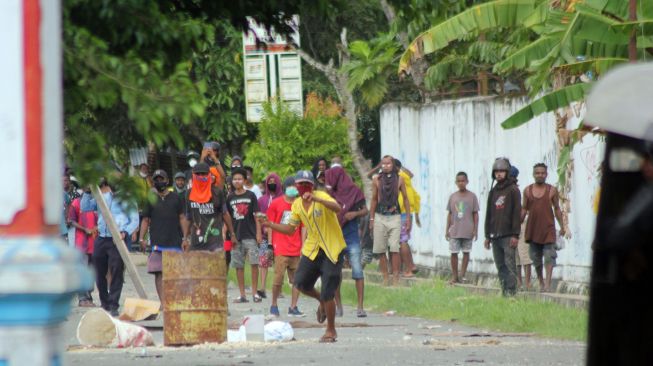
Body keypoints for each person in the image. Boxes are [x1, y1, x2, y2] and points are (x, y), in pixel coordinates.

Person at [259, 170, 345, 343]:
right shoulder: (297, 204)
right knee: (300, 283)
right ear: (296, 187)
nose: (304, 187)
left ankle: (331, 330)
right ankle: (321, 300)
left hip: (332, 248)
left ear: (312, 186)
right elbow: (291, 229)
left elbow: (337, 208)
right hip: (313, 248)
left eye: (307, 184)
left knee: (329, 290)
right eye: (301, 185)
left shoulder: (321, 196)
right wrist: (271, 225)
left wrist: (318, 199)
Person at [81, 179, 139, 316]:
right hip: (102, 237)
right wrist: (88, 192)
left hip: (117, 239)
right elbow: (85, 207)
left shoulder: (128, 199)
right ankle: (104, 302)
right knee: (98, 270)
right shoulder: (103, 197)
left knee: (116, 270)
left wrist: (125, 232)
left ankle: (113, 304)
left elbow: (134, 220)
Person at [138, 169, 188, 303]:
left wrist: (185, 238)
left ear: (167, 181)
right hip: (157, 243)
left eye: (162, 179)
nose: (159, 182)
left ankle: (174, 300)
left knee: (175, 274)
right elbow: (145, 220)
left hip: (175, 242)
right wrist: (141, 238)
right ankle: (163, 302)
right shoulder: (151, 199)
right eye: (157, 180)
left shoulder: (176, 198)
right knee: (159, 273)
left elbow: (182, 218)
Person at [326, 166, 369, 317]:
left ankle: (360, 307)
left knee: (357, 270)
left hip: (351, 236)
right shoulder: (328, 194)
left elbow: (365, 210)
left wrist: (354, 213)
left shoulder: (354, 191)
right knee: (335, 273)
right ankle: (339, 306)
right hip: (335, 236)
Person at [522, 163, 566, 292]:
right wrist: (516, 225)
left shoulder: (552, 190)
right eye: (537, 173)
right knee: (535, 258)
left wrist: (562, 226)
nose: (540, 175)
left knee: (549, 256)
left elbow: (557, 208)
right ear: (533, 174)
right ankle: (541, 280)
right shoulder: (527, 190)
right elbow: (524, 209)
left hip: (548, 229)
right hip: (533, 229)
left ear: (546, 174)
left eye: (543, 173)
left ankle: (547, 284)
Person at [265, 176, 305, 317]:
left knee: (297, 280)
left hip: (296, 247)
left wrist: (303, 245)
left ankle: (293, 307)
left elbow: (303, 227)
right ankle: (274, 305)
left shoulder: (300, 205)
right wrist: (270, 244)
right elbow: (269, 224)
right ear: (285, 188)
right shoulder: (276, 204)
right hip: (280, 247)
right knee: (278, 278)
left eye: (296, 186)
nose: (294, 189)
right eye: (291, 186)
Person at [369, 155, 411, 286]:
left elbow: (405, 199)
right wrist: (371, 218)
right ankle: (386, 277)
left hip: (395, 216)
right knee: (381, 249)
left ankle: (396, 278)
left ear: (393, 165)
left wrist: (408, 218)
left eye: (388, 164)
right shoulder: (376, 180)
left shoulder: (400, 179)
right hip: (380, 217)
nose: (386, 166)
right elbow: (374, 199)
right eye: (383, 163)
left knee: (394, 248)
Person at [484, 158, 521, 297]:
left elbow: (516, 213)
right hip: (495, 236)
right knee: (500, 265)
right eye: (497, 171)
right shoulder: (493, 192)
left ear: (507, 172)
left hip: (508, 235)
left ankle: (512, 293)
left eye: (502, 171)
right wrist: (487, 236)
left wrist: (515, 235)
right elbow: (489, 214)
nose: (499, 174)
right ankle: (504, 291)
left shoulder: (513, 190)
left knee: (510, 264)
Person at [228, 168, 263, 303]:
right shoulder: (230, 197)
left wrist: (259, 233)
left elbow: (257, 215)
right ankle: (242, 294)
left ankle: (254, 293)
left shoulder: (251, 195)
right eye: (235, 179)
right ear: (232, 181)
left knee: (254, 263)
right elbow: (228, 217)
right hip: (236, 236)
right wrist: (230, 234)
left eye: (240, 179)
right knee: (239, 265)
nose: (237, 181)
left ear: (245, 180)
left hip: (251, 234)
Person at [183, 163, 236, 253]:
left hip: (215, 244)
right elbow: (188, 217)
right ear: (193, 175)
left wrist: (232, 234)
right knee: (197, 267)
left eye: (203, 174)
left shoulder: (217, 192)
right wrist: (185, 238)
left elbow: (225, 213)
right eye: (198, 174)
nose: (200, 176)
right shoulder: (189, 193)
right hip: (196, 244)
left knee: (216, 267)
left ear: (209, 175)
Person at [446, 171, 479, 284]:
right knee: (454, 253)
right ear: (456, 182)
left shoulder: (472, 196)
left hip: (467, 230)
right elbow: (449, 214)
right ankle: (454, 276)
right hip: (455, 230)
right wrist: (447, 229)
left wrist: (475, 229)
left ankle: (462, 274)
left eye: (463, 181)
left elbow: (475, 214)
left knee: (466, 252)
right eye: (458, 181)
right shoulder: (453, 197)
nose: (461, 183)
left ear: (467, 181)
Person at [68, 187, 98, 307]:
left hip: (95, 242)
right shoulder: (76, 202)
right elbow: (70, 220)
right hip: (82, 243)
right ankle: (82, 298)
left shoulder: (96, 203)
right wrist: (84, 229)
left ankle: (88, 296)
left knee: (92, 271)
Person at [256, 173, 283, 300]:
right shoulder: (261, 200)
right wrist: (261, 231)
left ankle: (280, 289)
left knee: (280, 262)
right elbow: (258, 216)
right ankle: (262, 287)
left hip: (280, 236)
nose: (272, 183)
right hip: (265, 236)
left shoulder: (283, 198)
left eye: (274, 181)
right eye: (269, 181)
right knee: (263, 261)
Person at [395, 159, 421, 277]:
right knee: (403, 240)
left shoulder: (399, 178)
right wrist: (416, 215)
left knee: (401, 241)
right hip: (407, 213)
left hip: (400, 213)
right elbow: (416, 197)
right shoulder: (407, 180)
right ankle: (409, 267)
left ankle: (409, 269)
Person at [511, 166, 533, 290]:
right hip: (512, 226)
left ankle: (528, 282)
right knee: (516, 258)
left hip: (521, 224)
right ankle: (519, 282)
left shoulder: (517, 191)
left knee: (524, 255)